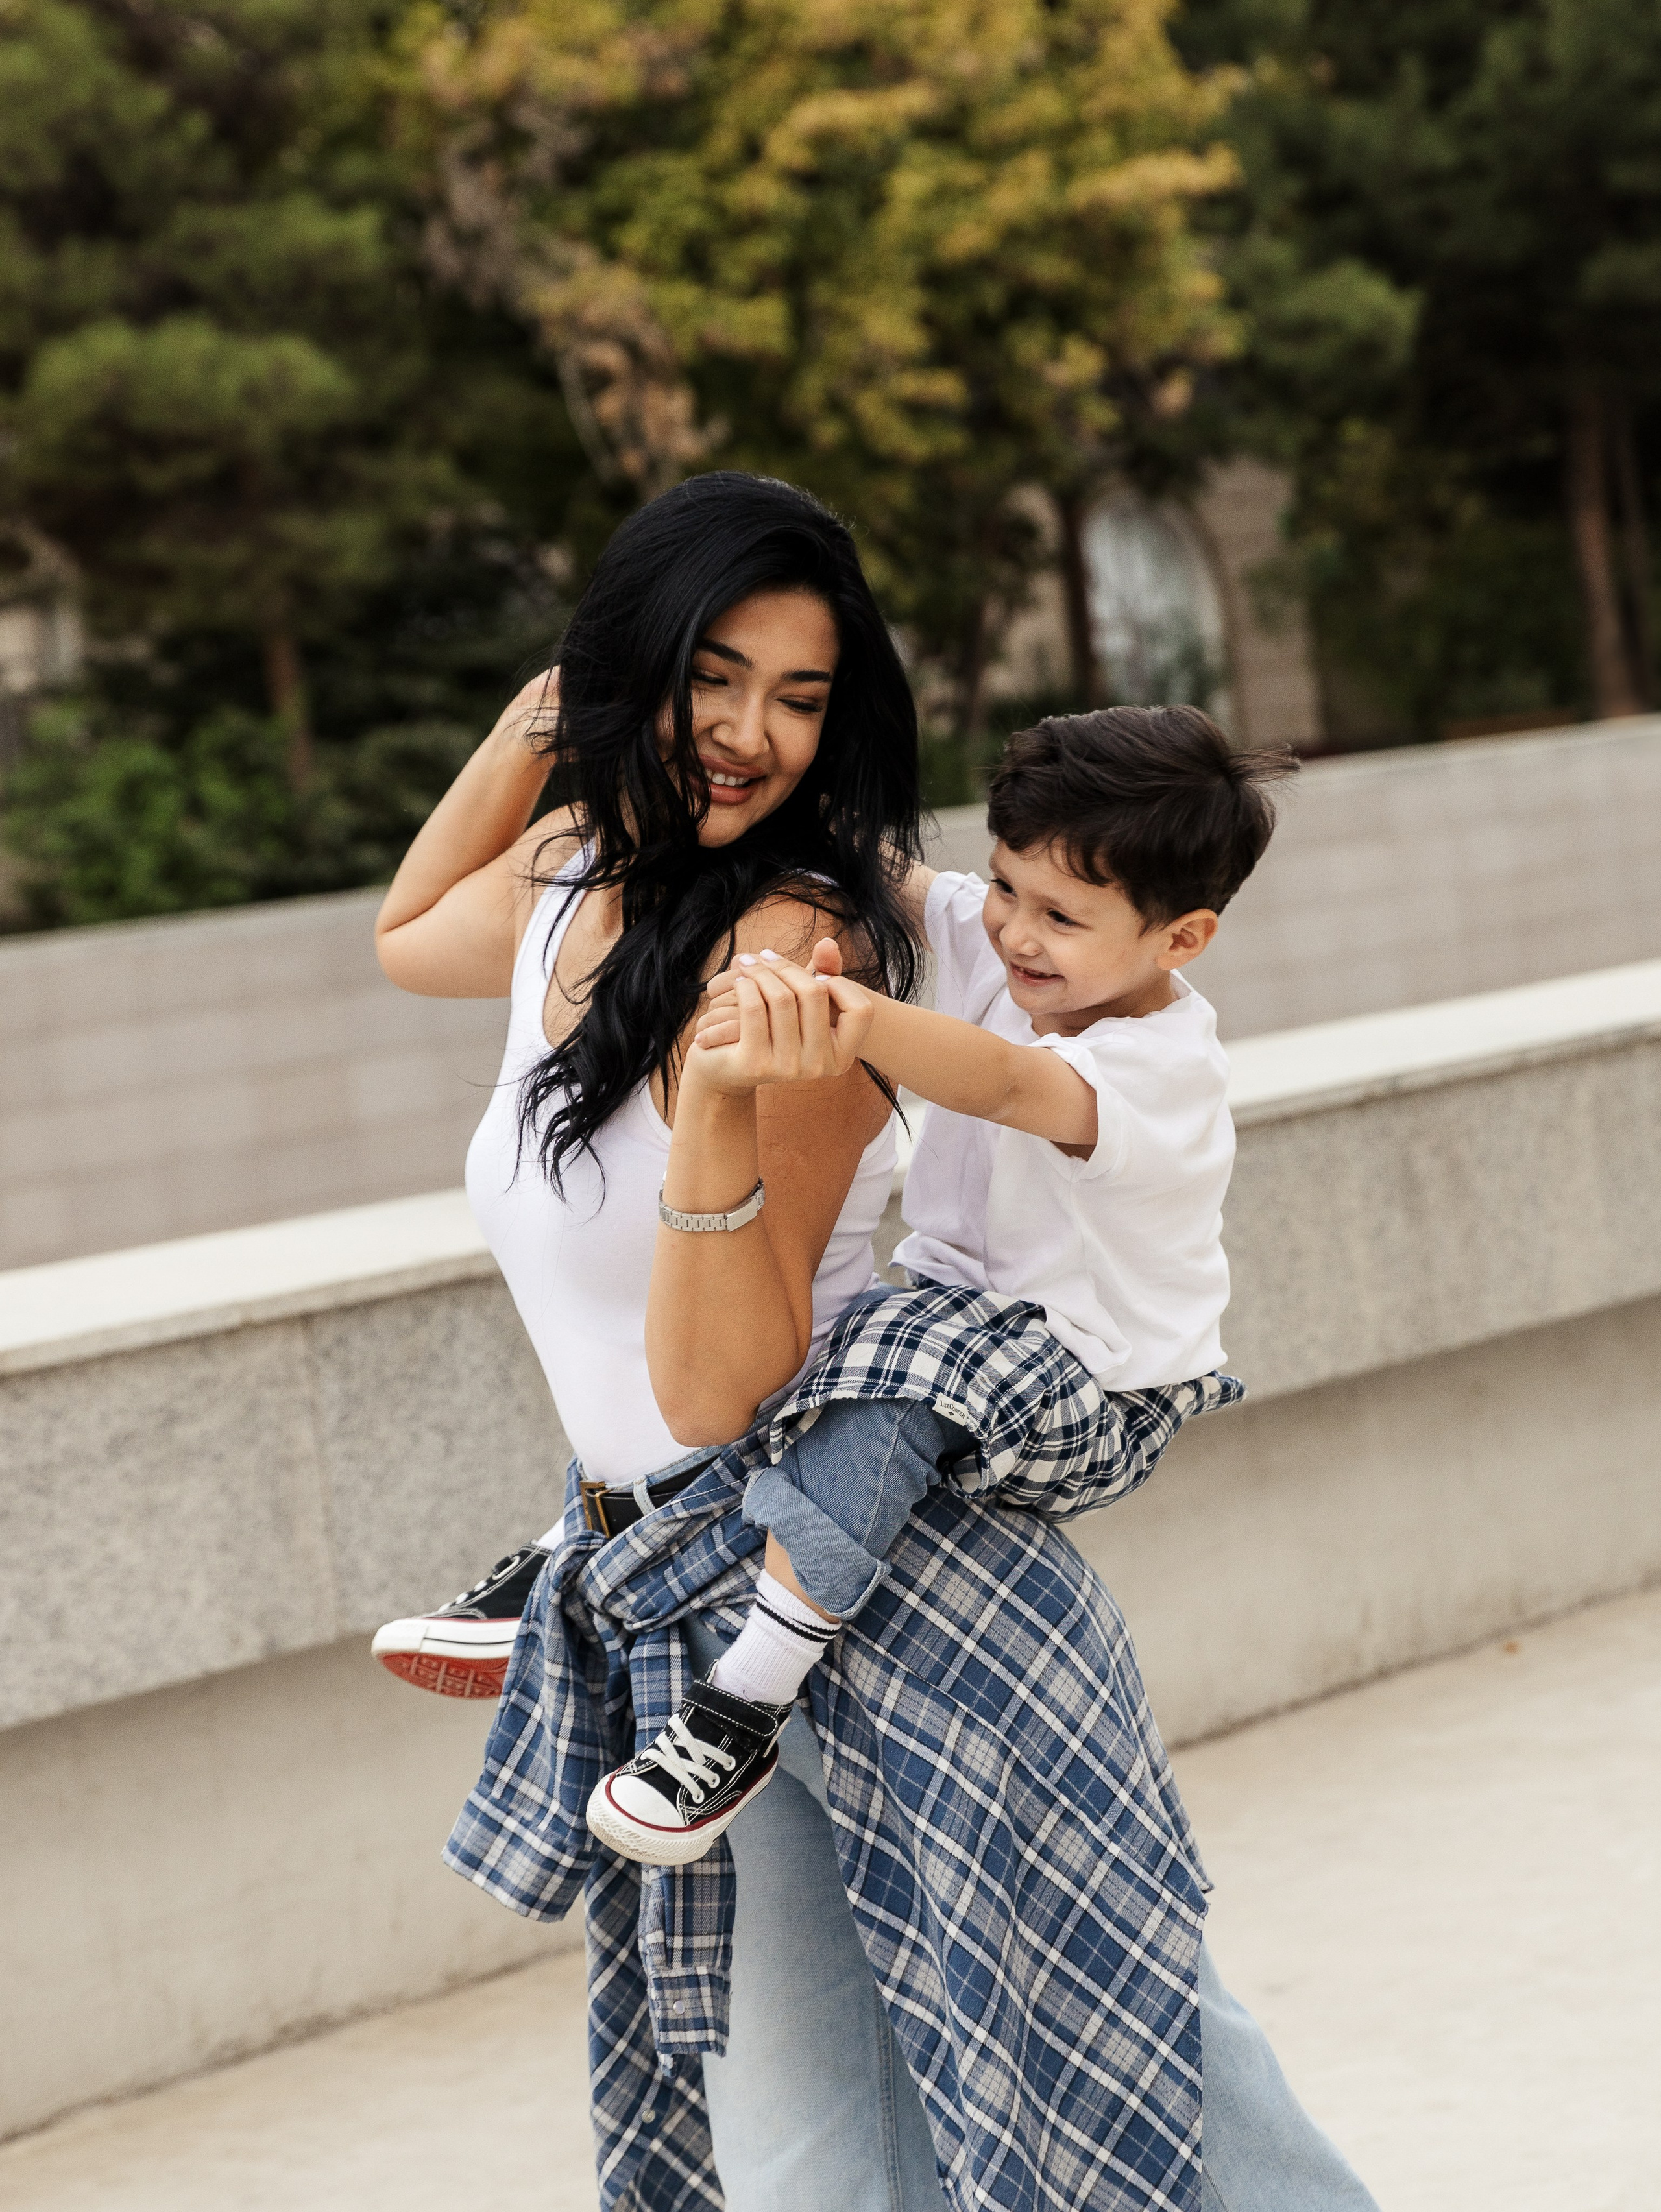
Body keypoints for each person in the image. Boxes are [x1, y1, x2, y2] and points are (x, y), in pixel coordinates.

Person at [380, 472, 1377, 2209]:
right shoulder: (569, 876)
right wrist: (527, 728)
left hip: (871, 1579)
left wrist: (711, 1118)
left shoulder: (795, 943)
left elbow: (719, 1385)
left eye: (805, 695)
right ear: (637, 660)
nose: (753, 733)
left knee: (1120, 2088)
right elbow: (401, 939)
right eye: (715, 674)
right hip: (692, 1586)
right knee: (852, 2144)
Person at [587, 706, 1271, 1864]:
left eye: (1063, 915)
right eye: (1008, 887)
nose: (1016, 932)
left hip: (1093, 1393)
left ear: (1183, 938)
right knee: (801, 1351)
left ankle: (749, 1696)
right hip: (954, 1344)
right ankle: (602, 1533)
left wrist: (854, 1018)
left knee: (902, 1360)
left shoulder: (1163, 1070)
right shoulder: (1004, 935)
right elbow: (898, 875)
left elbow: (1010, 1083)